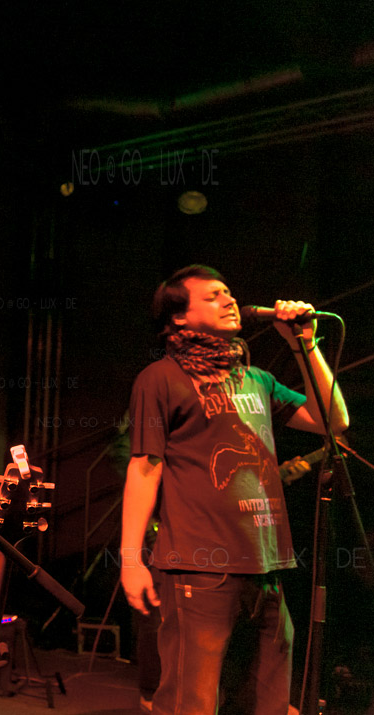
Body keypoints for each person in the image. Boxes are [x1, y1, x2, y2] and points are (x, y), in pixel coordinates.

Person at [120, 265, 348, 715]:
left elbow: (333, 420)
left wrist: (305, 344)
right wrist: (130, 560)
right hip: (198, 566)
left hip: (266, 565)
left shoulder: (256, 379)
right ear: (180, 317)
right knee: (191, 702)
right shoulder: (160, 378)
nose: (228, 299)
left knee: (267, 703)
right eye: (212, 296)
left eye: (228, 292)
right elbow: (144, 469)